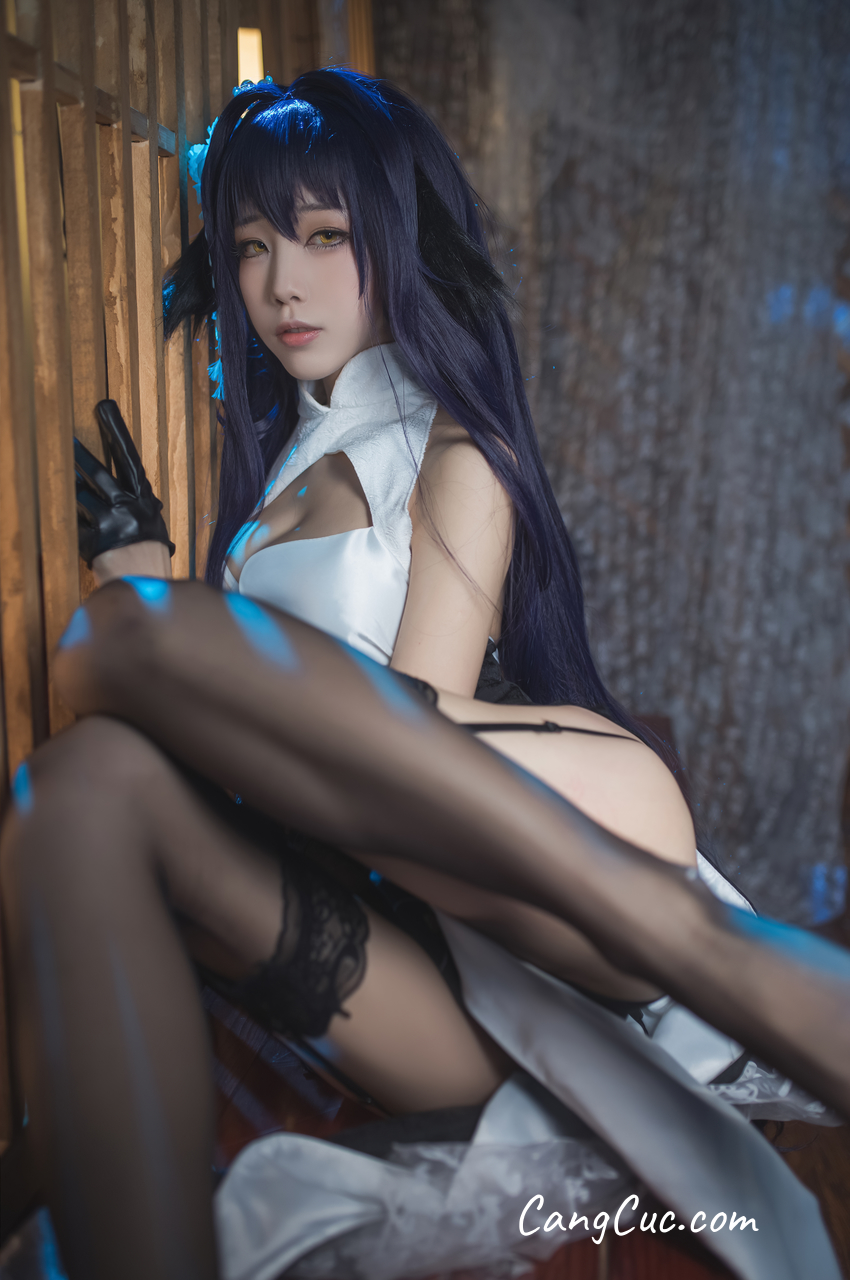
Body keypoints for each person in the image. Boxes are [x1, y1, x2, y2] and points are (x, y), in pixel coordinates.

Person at [2, 70, 848, 1280]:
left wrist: (161, 624)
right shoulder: (282, 467)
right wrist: (159, 593)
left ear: (396, 239)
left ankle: (709, 949)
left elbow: (411, 737)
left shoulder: (454, 443)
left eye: (324, 237)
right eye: (251, 246)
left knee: (128, 638)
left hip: (539, 827)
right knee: (79, 779)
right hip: (420, 939)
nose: (281, 284)